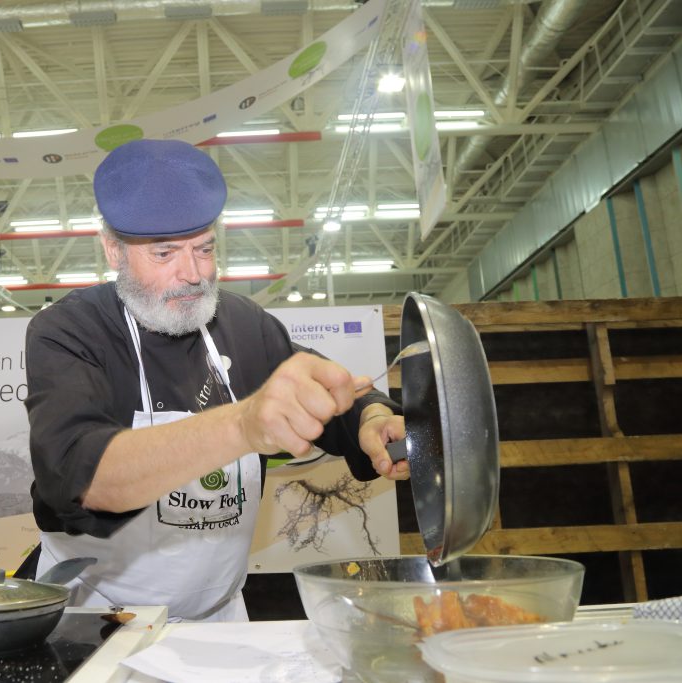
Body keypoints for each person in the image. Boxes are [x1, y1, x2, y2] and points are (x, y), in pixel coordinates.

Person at [24, 138, 408, 622]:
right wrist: (243, 424)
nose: (193, 274)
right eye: (164, 254)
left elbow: (336, 394)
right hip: (95, 620)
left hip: (217, 618)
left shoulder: (245, 325)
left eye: (204, 248)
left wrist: (372, 415)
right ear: (113, 251)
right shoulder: (70, 331)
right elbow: (84, 477)